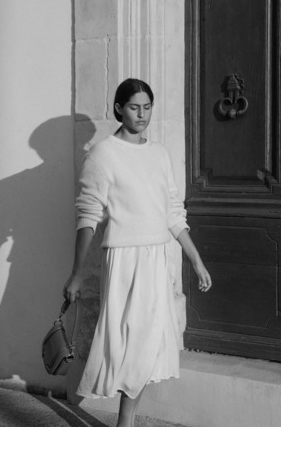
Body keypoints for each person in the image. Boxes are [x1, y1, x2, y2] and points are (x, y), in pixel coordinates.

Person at [63, 78, 212, 427]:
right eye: (134, 107)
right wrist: (77, 273)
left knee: (149, 345)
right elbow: (88, 217)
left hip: (156, 259)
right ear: (119, 108)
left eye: (147, 107)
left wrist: (196, 260)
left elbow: (172, 212)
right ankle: (125, 425)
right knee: (127, 346)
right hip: (124, 261)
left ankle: (125, 424)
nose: (142, 114)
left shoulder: (159, 154)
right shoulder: (102, 155)